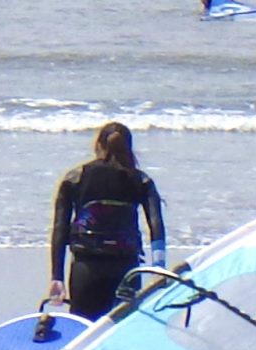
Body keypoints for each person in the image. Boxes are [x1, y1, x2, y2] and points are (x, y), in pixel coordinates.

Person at [46, 120, 168, 322]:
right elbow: (156, 224)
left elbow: (60, 228)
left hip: (87, 266)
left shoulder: (75, 177)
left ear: (98, 145)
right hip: (126, 267)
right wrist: (159, 267)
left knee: (86, 328)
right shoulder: (140, 180)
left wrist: (57, 277)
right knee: (123, 329)